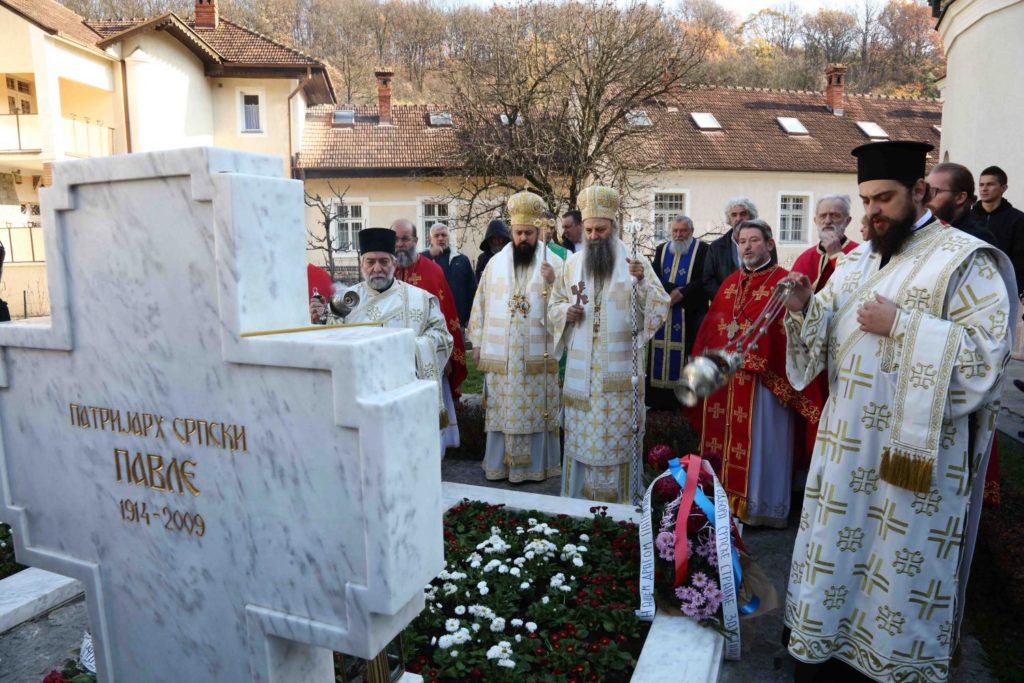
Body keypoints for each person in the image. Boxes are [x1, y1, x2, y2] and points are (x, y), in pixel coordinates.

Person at [782, 141, 1016, 682]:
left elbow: (987, 357)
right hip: (844, 455)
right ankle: (827, 654)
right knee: (835, 568)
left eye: (883, 199)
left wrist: (904, 326)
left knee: (896, 573)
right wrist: (802, 309)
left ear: (918, 193)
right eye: (866, 201)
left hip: (911, 466)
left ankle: (891, 665)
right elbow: (820, 347)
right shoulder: (856, 260)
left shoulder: (965, 260)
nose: (871, 213)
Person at [693, 219, 821, 528]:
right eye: (743, 242)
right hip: (726, 381)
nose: (748, 246)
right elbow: (713, 327)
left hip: (765, 385)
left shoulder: (784, 282)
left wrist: (758, 358)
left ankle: (760, 508)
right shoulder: (730, 282)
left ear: (770, 244)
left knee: (763, 444)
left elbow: (792, 335)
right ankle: (723, 503)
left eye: (754, 240)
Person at [548, 185, 670, 503]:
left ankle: (620, 502)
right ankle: (576, 500)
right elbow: (553, 306)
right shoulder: (572, 266)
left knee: (615, 440)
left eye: (600, 229)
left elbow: (659, 306)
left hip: (619, 378)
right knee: (581, 439)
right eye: (588, 230)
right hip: (581, 375)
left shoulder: (634, 263)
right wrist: (565, 312)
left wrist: (642, 282)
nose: (593, 236)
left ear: (613, 227)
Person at [311, 228, 454, 435]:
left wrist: (405, 347)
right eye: (370, 262)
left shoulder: (421, 299)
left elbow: (442, 338)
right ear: (362, 264)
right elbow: (329, 343)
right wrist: (319, 320)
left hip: (405, 392)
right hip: (360, 396)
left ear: (394, 264)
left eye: (384, 261)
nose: (377, 268)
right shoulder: (344, 301)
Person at [468, 190, 564, 483]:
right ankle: (500, 466)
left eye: (529, 233)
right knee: (502, 412)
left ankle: (537, 468)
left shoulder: (555, 265)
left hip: (537, 359)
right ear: (512, 231)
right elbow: (480, 304)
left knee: (536, 413)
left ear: (539, 232)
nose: (523, 238)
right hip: (503, 361)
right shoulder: (495, 264)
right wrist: (478, 342)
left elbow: (566, 305)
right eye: (519, 232)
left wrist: (553, 281)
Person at [392, 219, 468, 452]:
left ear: (415, 241)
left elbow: (448, 316)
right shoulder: (386, 270)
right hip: (394, 360)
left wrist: (445, 355)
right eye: (395, 239)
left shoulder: (432, 271)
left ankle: (434, 459)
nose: (400, 244)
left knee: (430, 426)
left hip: (429, 359)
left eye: (405, 238)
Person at [647, 215, 709, 409]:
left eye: (683, 231)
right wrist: (670, 290)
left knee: (687, 359)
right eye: (675, 231)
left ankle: (683, 406)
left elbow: (704, 279)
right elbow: (653, 277)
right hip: (665, 313)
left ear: (691, 231)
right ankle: (659, 405)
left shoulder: (703, 250)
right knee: (659, 359)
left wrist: (683, 293)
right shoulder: (662, 249)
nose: (678, 235)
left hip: (690, 315)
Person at [702, 197, 778, 298]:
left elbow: (771, 270)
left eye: (743, 214)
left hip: (757, 299)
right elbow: (708, 280)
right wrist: (726, 297)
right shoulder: (716, 248)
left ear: (751, 216)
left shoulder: (765, 242)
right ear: (729, 219)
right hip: (725, 304)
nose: (738, 218)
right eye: (734, 215)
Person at [971, 165, 1024, 294]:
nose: (984, 189)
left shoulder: (1017, 219)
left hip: (1004, 287)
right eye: (981, 184)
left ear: (1003, 188)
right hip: (970, 284)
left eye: (990, 184)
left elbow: (1020, 258)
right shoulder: (968, 217)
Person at [791, 195, 860, 293]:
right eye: (822, 216)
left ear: (847, 221)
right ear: (816, 221)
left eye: (835, 215)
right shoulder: (804, 258)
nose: (827, 221)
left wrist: (836, 255)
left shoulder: (860, 252)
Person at [422, 222, 477, 328]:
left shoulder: (462, 260)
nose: (440, 238)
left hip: (457, 320)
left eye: (444, 235)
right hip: (431, 322)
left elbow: (471, 290)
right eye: (436, 235)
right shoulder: (423, 260)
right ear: (431, 239)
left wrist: (470, 317)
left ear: (449, 237)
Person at [926, 162, 995, 244]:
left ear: (960, 197)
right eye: (926, 191)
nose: (926, 198)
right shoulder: (925, 230)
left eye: (934, 191)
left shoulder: (978, 239)